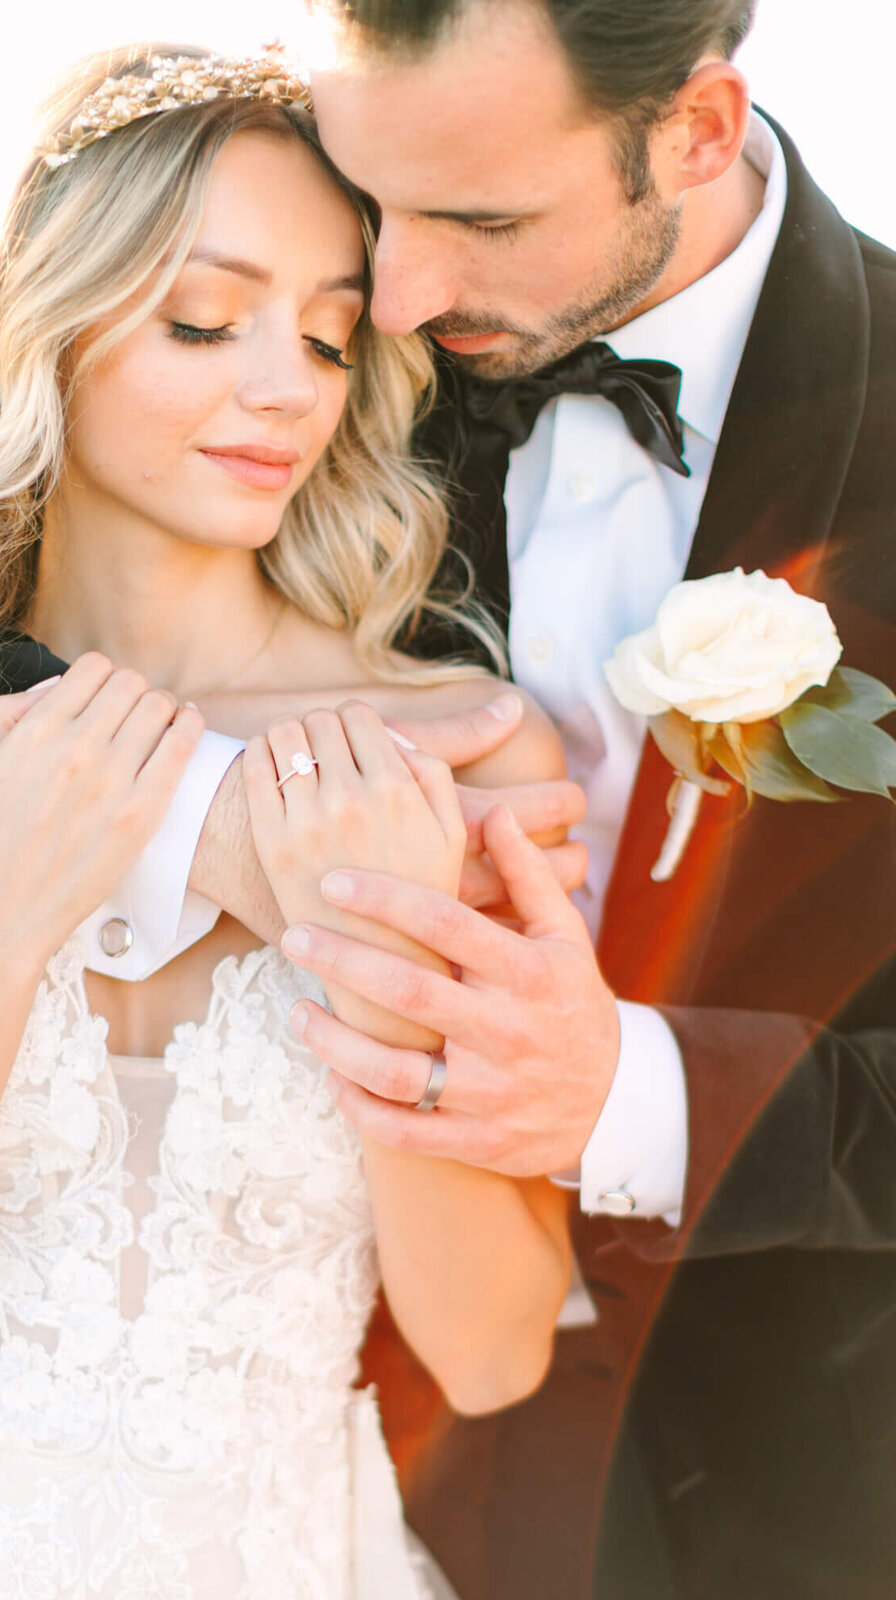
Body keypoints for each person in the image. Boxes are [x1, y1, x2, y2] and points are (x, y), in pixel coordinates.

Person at [0, 43, 574, 1600]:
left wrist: (373, 958)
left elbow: (496, 1350)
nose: (282, 391)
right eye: (202, 321)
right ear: (51, 325)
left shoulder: (456, 752)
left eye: (322, 338)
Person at [264, 3, 890, 1597]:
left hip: (819, 1481)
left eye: (482, 218)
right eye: (371, 200)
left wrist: (635, 1101)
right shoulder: (276, 371)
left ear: (696, 127)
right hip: (324, 1466)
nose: (395, 293)